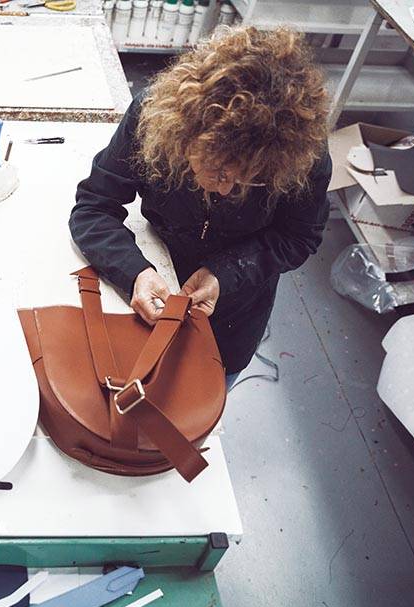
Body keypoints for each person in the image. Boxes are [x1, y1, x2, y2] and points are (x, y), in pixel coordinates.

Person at [70, 26, 332, 389]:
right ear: (186, 136)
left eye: (246, 180)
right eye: (216, 170)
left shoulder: (301, 157)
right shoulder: (155, 117)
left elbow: (299, 237)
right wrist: (135, 274)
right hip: (154, 279)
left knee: (201, 404)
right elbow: (94, 206)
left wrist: (224, 275)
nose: (224, 188)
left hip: (234, 311)